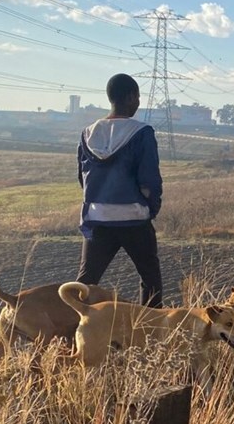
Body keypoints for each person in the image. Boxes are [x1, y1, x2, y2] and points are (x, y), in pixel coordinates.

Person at [76, 73, 164, 308]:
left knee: (85, 283)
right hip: (134, 218)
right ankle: (149, 332)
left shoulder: (88, 133)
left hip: (98, 217)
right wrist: (150, 209)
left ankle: (71, 333)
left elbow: (82, 178)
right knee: (150, 280)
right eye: (137, 97)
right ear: (130, 97)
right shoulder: (142, 132)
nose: (138, 102)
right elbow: (150, 181)